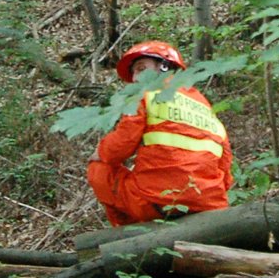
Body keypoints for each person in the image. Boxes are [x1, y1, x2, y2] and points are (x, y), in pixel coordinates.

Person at [87, 41, 233, 227]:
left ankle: (127, 236)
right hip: (209, 204)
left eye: (141, 69)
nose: (135, 77)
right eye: (133, 73)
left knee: (99, 168)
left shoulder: (145, 93)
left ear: (164, 67)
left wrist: (101, 152)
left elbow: (119, 148)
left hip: (158, 201)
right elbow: (226, 167)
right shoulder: (203, 104)